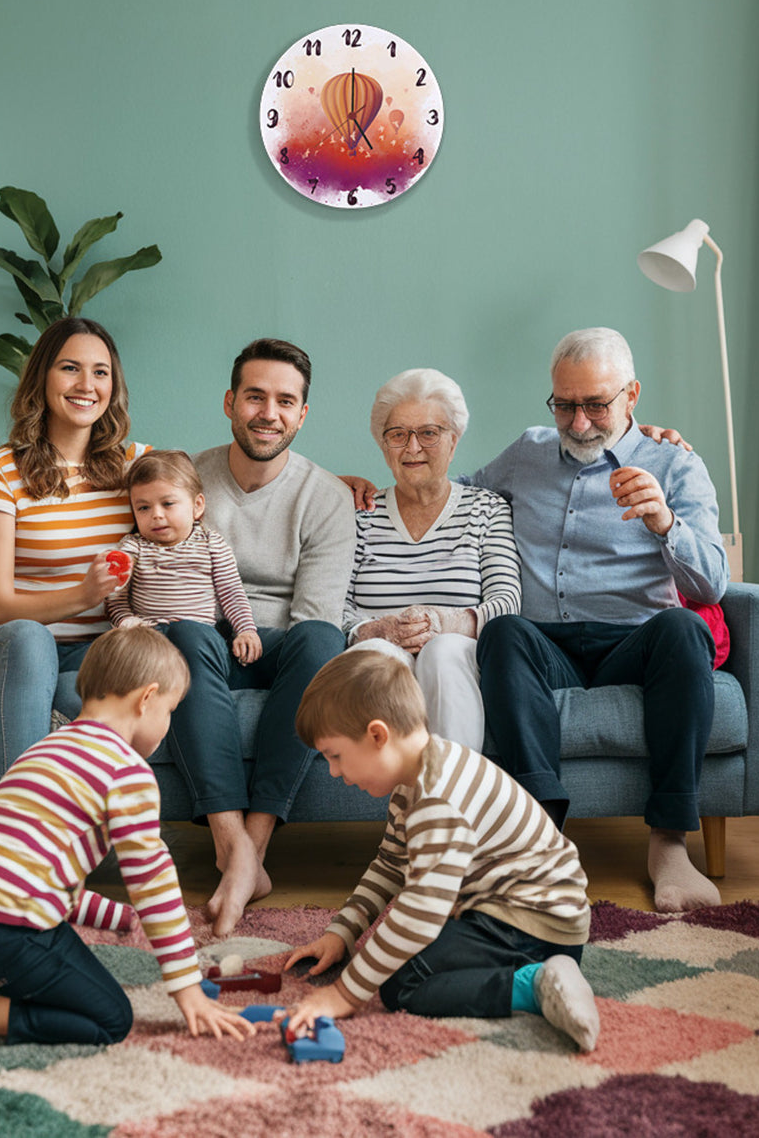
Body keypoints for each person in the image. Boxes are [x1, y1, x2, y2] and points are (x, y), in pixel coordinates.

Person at [0, 625, 253, 1055]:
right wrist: (187, 988)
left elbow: (31, 873)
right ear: (147, 698)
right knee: (110, 1017)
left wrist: (114, 917)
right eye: (170, 710)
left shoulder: (46, 749)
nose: (167, 724)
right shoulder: (126, 770)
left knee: (50, 948)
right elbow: (153, 883)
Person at [472, 327, 729, 912]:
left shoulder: (677, 465)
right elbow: (453, 497)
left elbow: (712, 582)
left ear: (632, 395)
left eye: (596, 404)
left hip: (635, 642)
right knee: (503, 630)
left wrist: (666, 523)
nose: (579, 422)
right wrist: (362, 492)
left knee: (684, 629)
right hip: (546, 645)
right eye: (565, 404)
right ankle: (542, 840)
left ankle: (668, 845)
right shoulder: (526, 452)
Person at [283, 650, 599, 1052]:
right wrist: (342, 933)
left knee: (403, 984)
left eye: (335, 756)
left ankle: (534, 984)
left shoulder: (437, 799)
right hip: (519, 913)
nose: (334, 772)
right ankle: (536, 970)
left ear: (377, 735)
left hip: (534, 925)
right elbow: (390, 865)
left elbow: (419, 915)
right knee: (395, 958)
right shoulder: (415, 779)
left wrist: (344, 995)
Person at [164, 338, 356, 937]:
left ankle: (254, 845)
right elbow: (164, 574)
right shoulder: (188, 480)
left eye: (284, 401)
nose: (267, 413)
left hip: (280, 646)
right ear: (230, 402)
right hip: (205, 639)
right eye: (255, 396)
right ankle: (233, 851)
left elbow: (315, 612)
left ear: (302, 414)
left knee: (322, 641)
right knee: (189, 633)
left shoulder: (326, 496)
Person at [0, 316, 149, 787]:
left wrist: (329, 482)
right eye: (71, 368)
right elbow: (0, 605)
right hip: (9, 642)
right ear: (42, 378)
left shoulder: (135, 465)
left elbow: (214, 485)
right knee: (31, 639)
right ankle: (12, 835)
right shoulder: (0, 470)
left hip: (95, 649)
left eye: (101, 372)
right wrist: (83, 594)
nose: (87, 385)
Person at [342, 368, 521, 750]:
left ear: (453, 441)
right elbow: (332, 605)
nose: (412, 448)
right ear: (382, 444)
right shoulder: (361, 515)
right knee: (380, 656)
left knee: (441, 651)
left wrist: (446, 622)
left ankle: (450, 800)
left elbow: (507, 603)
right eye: (397, 435)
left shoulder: (486, 508)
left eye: (428, 433)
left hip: (458, 655)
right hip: (380, 651)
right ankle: (407, 797)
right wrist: (378, 629)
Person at [105, 449, 262, 666]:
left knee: (193, 638)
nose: (156, 515)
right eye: (143, 508)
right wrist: (127, 621)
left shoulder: (211, 544)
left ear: (197, 506)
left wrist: (245, 630)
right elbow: (115, 598)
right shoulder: (133, 548)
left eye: (168, 504)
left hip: (199, 638)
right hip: (149, 641)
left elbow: (232, 593)